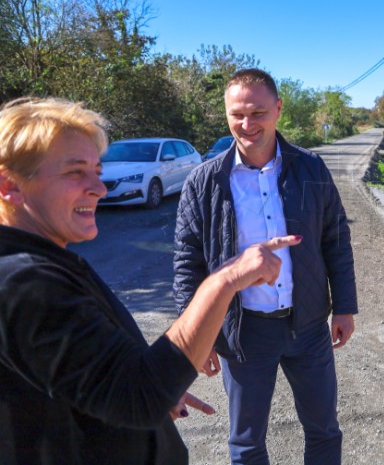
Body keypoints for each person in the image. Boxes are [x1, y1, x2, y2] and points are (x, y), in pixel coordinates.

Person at [0, 97, 300, 464]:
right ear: (10, 186)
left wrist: (156, 380)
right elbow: (139, 395)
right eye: (76, 172)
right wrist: (225, 279)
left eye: (97, 170)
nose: (100, 188)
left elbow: (94, 380)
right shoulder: (24, 282)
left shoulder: (43, 263)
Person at [173, 68, 358, 464]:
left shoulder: (311, 169)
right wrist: (197, 334)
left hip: (307, 326)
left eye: (258, 112)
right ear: (225, 113)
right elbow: (188, 262)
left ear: (277, 109)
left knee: (324, 431)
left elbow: (335, 239)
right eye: (237, 114)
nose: (247, 124)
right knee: (246, 443)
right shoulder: (204, 182)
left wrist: (344, 305)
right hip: (244, 333)